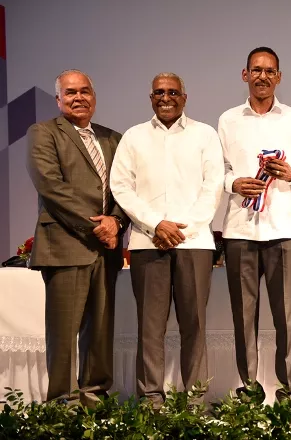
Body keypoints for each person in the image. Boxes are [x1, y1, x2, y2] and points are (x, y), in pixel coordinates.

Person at [110, 72, 224, 407]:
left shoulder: (205, 135)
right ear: (150, 97)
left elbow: (212, 187)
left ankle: (195, 401)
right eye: (159, 92)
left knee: (195, 326)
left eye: (173, 92)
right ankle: (151, 401)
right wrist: (156, 224)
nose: (166, 97)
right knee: (150, 328)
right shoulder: (134, 137)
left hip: (194, 244)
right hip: (147, 244)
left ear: (184, 97)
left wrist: (180, 230)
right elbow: (121, 187)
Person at [26, 69, 128, 406]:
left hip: (106, 249)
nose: (78, 97)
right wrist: (96, 226)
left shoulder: (113, 138)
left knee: (99, 332)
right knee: (64, 335)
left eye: (84, 91)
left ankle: (94, 398)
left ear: (94, 98)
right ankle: (62, 405)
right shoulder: (43, 133)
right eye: (70, 92)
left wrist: (115, 221)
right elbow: (51, 187)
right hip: (66, 246)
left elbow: (126, 189)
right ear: (58, 100)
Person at [218, 47, 291, 408]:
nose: (263, 77)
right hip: (240, 230)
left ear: (279, 77)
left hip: (283, 230)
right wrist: (233, 184)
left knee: (287, 320)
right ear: (245, 75)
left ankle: (290, 396)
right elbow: (218, 171)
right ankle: (249, 393)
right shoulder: (227, 120)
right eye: (256, 70)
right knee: (244, 320)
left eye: (270, 71)